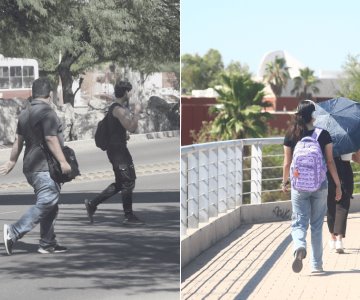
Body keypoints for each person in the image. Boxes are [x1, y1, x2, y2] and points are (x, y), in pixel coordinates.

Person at [0, 77, 71, 255]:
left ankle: (47, 243)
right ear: (51, 94)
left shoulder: (25, 113)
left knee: (51, 204)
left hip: (30, 167)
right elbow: (50, 138)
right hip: (44, 166)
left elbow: (18, 141)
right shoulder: (48, 112)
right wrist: (63, 162)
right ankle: (14, 232)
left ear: (33, 93)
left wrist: (11, 161)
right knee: (47, 200)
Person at [282, 100, 342, 273]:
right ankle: (316, 265)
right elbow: (330, 162)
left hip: (298, 186)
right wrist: (337, 185)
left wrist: (285, 181)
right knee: (316, 225)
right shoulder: (323, 134)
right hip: (320, 185)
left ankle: (300, 247)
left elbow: (287, 163)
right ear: (314, 116)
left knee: (299, 223)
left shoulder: (291, 134)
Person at [84, 80, 143, 225]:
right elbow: (132, 127)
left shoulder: (115, 108)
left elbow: (121, 129)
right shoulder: (118, 109)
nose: (131, 94)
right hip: (118, 151)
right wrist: (136, 113)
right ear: (125, 93)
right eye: (130, 91)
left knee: (122, 182)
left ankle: (92, 204)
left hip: (117, 149)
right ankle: (128, 216)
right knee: (128, 181)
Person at [327, 150, 360, 253]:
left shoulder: (326, 135)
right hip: (345, 169)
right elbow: (357, 158)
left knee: (331, 203)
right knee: (343, 204)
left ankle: (333, 237)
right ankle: (339, 240)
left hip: (329, 168)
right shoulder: (349, 137)